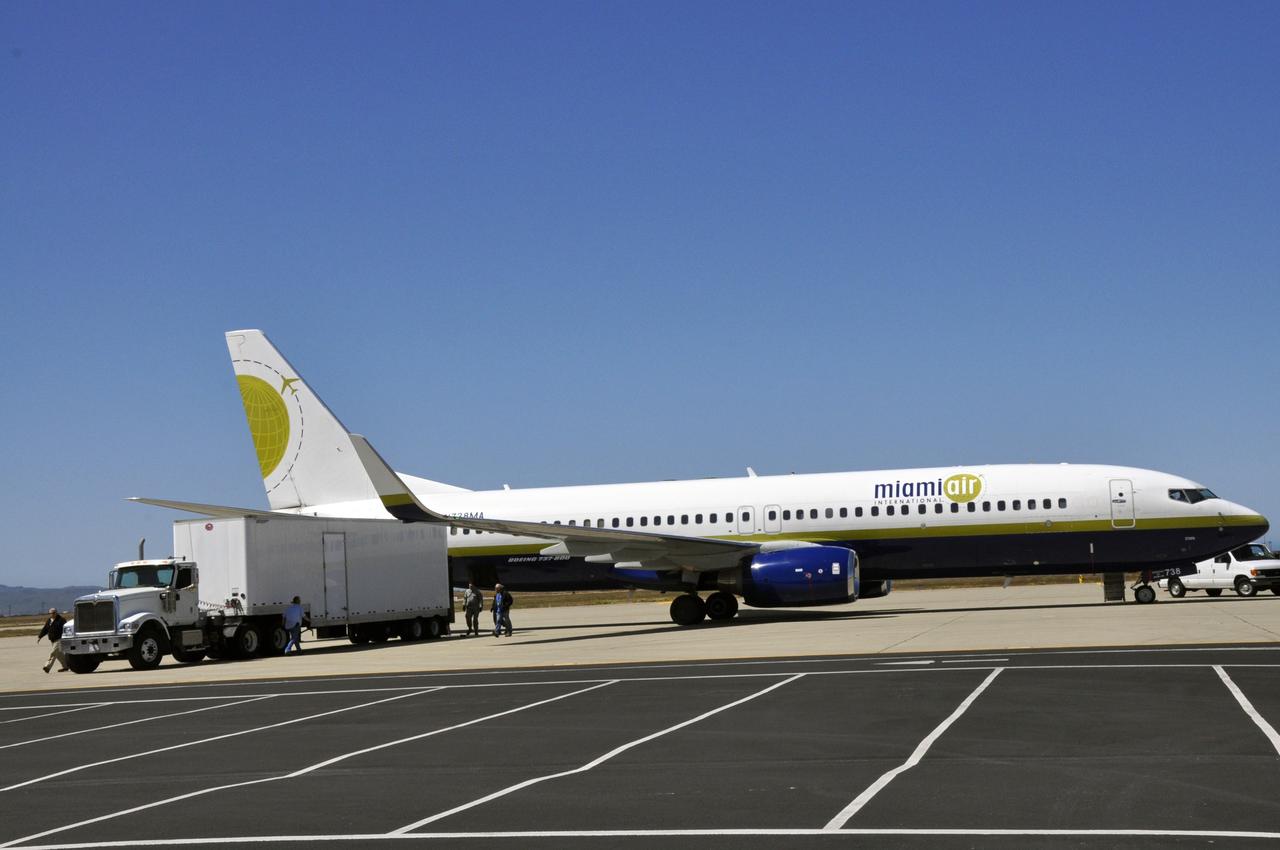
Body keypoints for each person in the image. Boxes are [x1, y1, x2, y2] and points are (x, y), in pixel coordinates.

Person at [38, 608, 67, 673]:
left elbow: (66, 629)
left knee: (53, 653)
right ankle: (66, 666)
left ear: (56, 613)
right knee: (59, 655)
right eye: (51, 613)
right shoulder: (49, 621)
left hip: (59, 639)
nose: (52, 614)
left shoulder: (61, 620)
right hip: (52, 640)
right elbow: (45, 629)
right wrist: (40, 637)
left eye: (54, 613)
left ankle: (47, 667)